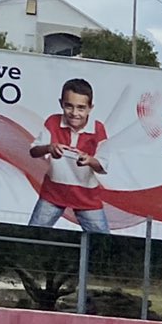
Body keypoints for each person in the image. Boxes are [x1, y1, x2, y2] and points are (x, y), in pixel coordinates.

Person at [27, 77, 111, 233]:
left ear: (90, 108)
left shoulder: (98, 129)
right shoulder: (53, 122)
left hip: (86, 197)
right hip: (53, 193)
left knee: (103, 244)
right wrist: (49, 148)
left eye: (81, 108)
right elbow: (33, 151)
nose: (74, 113)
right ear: (61, 104)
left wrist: (90, 160)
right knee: (33, 236)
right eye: (69, 106)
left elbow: (102, 166)